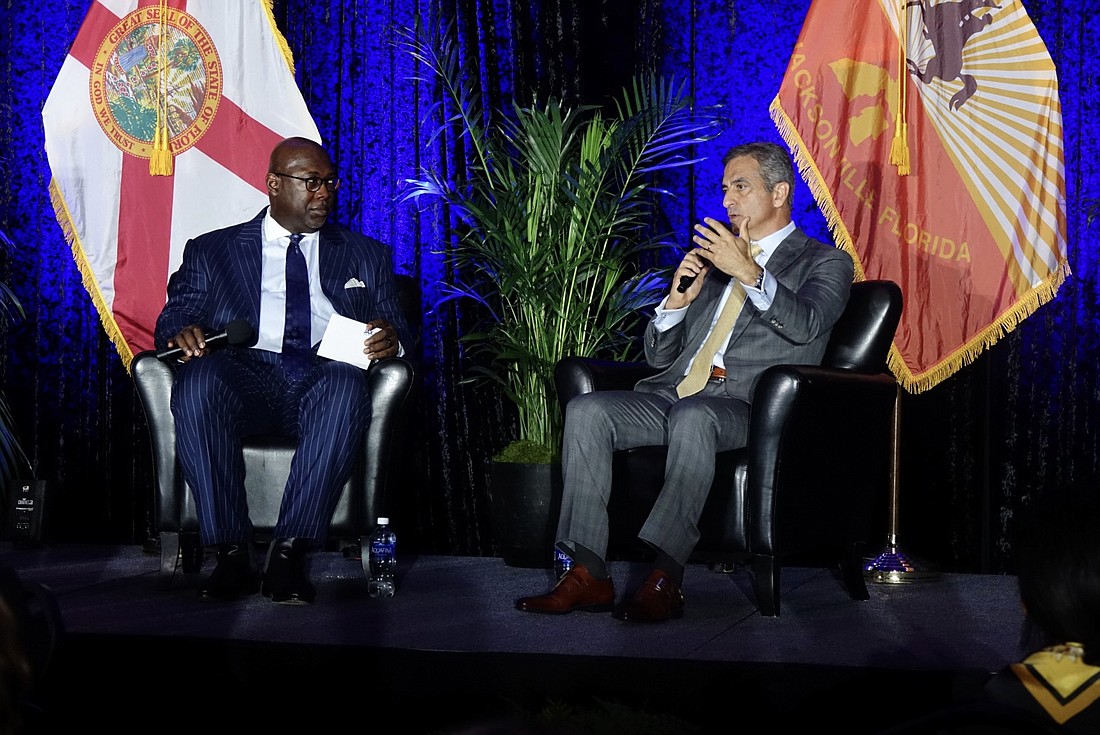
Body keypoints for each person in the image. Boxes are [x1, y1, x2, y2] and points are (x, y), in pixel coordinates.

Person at [515, 141, 854, 622]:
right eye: (725, 189)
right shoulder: (715, 265)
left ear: (780, 192)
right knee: (587, 411)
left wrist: (751, 273)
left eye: (741, 187)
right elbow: (658, 355)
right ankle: (589, 573)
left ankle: (665, 577)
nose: (728, 201)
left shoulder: (825, 262)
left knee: (695, 416)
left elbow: (806, 325)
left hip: (748, 406)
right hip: (675, 394)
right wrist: (676, 302)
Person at [155, 136, 410, 605]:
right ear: (274, 184)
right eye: (311, 182)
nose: (325, 193)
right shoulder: (214, 250)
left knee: (345, 384)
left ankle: (289, 554)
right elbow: (174, 316)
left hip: (319, 374)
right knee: (198, 383)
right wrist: (182, 332)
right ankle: (230, 553)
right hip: (243, 374)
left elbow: (398, 329)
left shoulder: (365, 255)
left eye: (330, 182)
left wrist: (392, 340)